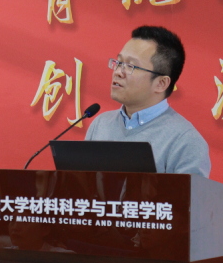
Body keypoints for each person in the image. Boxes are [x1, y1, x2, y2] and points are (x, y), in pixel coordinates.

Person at [85, 25, 211, 177]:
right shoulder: (101, 124)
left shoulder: (186, 141)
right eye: (118, 62)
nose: (118, 72)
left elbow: (191, 192)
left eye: (130, 66)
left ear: (161, 83)